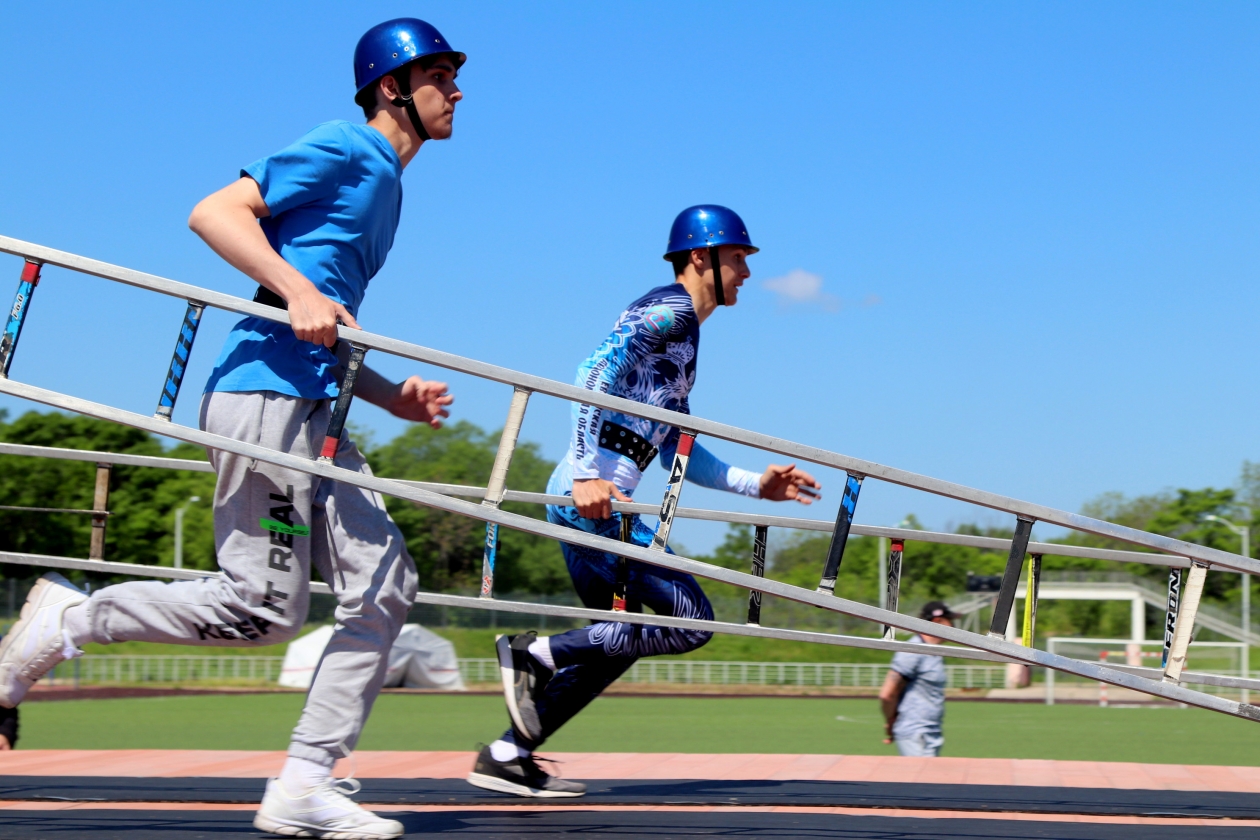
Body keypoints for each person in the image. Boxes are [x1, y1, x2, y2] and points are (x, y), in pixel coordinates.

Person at [0, 18, 463, 839]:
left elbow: (331, 316)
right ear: (395, 86)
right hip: (264, 398)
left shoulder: (389, 185)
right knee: (262, 608)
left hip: (316, 405)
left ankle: (303, 784)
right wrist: (292, 289)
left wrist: (393, 399)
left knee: (385, 588)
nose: (457, 90)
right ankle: (65, 621)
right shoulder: (344, 147)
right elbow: (214, 213)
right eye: (441, 75)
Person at [467, 205, 822, 798]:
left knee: (614, 645)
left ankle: (507, 753)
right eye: (738, 258)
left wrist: (757, 484)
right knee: (691, 621)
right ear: (700, 256)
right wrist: (585, 474)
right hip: (592, 503)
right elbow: (588, 374)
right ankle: (532, 653)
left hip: (594, 504)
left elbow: (681, 450)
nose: (747, 272)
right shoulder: (669, 311)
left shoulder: (688, 339)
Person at [879, 601, 957, 757]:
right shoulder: (913, 650)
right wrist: (891, 722)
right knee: (922, 780)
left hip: (930, 731)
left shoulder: (933, 651)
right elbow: (887, 694)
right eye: (951, 621)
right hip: (915, 733)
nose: (954, 626)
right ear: (937, 621)